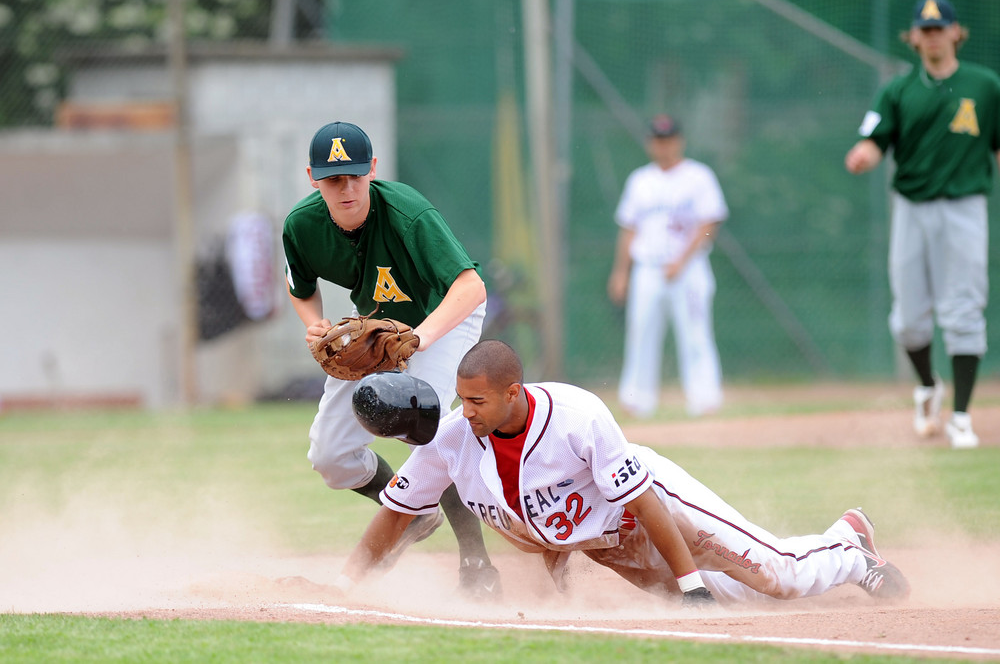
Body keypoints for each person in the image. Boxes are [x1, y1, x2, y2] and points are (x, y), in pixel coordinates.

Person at [333, 340, 910, 607]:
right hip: (608, 541)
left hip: (655, 504)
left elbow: (647, 501)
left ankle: (850, 548)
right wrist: (345, 586)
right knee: (737, 600)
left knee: (774, 577)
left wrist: (688, 584)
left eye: (478, 400)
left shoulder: (577, 417)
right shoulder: (456, 439)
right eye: (462, 399)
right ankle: (816, 560)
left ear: (515, 392)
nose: (467, 411)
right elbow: (396, 516)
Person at [281, 121, 500, 598]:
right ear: (313, 179)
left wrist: (420, 340)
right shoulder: (302, 225)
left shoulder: (408, 214)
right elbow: (300, 288)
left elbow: (471, 287)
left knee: (430, 429)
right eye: (334, 179)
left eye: (356, 175)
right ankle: (417, 512)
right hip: (377, 331)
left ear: (373, 170)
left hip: (441, 320)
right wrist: (313, 323)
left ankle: (477, 562)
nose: (347, 188)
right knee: (330, 456)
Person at [845, 0, 1000, 449]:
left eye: (939, 28)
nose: (932, 35)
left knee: (964, 309)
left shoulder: (985, 86)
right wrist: (864, 155)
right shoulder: (897, 91)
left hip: (965, 207)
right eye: (924, 29)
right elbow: (873, 141)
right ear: (913, 37)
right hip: (911, 207)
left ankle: (962, 416)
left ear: (956, 33)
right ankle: (929, 385)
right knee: (910, 319)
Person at [607, 114, 727, 419]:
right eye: (657, 140)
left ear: (679, 141)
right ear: (650, 143)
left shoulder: (698, 176)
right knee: (641, 332)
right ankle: (637, 400)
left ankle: (704, 398)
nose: (663, 145)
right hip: (647, 267)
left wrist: (682, 260)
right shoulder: (640, 180)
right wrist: (621, 272)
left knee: (695, 334)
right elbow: (628, 228)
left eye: (668, 139)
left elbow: (709, 223)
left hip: (689, 269)